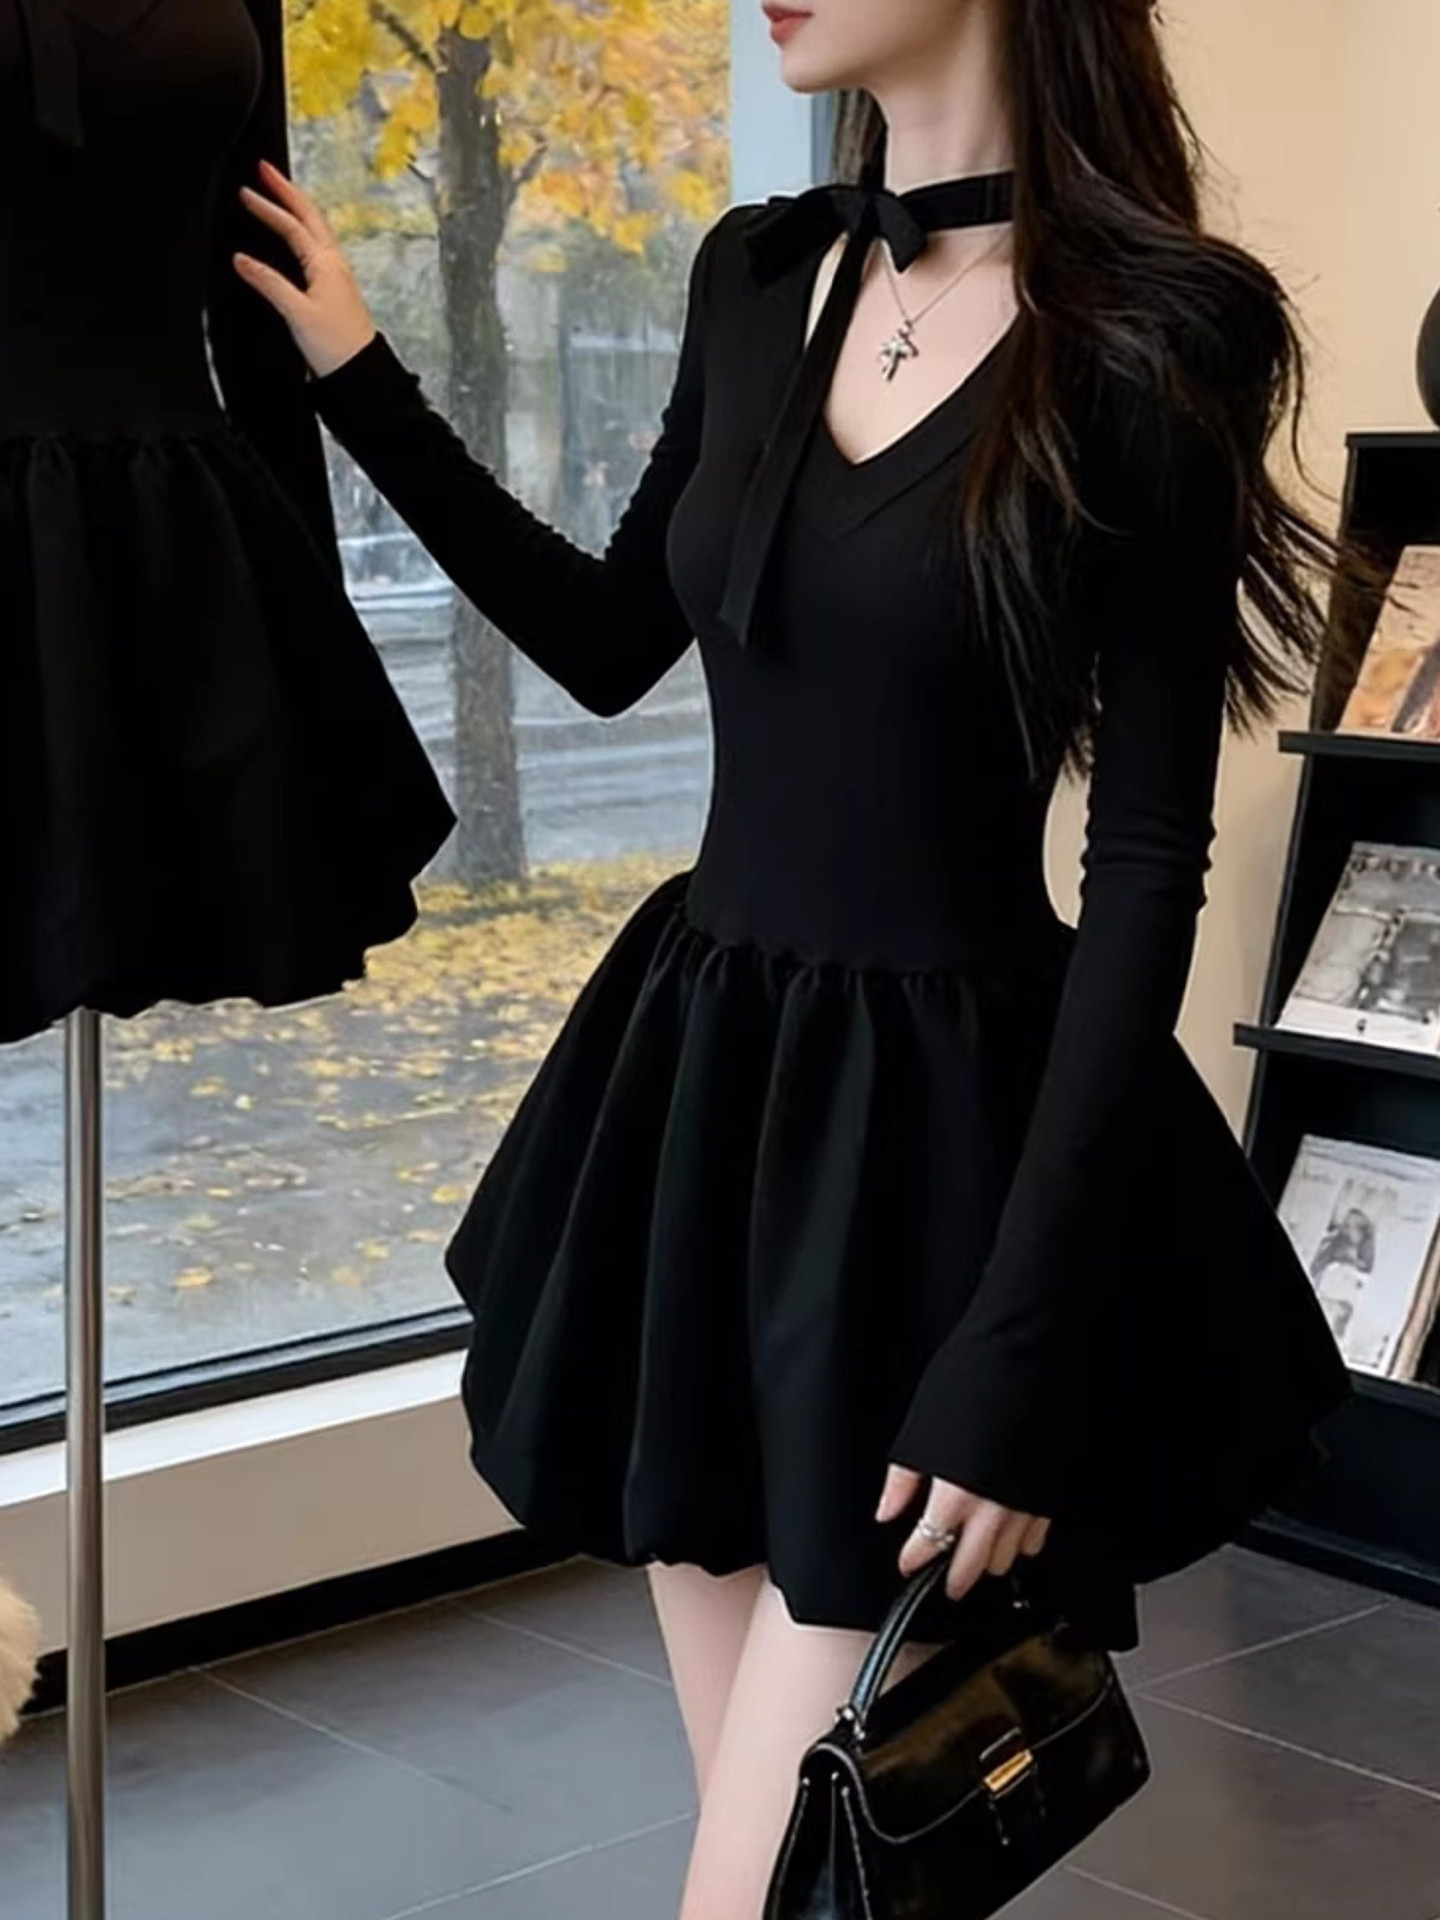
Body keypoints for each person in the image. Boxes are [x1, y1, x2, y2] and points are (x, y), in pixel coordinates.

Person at [234, 1, 1355, 1912]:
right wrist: (360, 381)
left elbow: (1146, 862)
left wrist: (1020, 1344)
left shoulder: (1168, 328)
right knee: (807, 1867)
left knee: (766, 1880)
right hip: (710, 1107)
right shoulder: (757, 275)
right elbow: (609, 639)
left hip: (940, 1150)